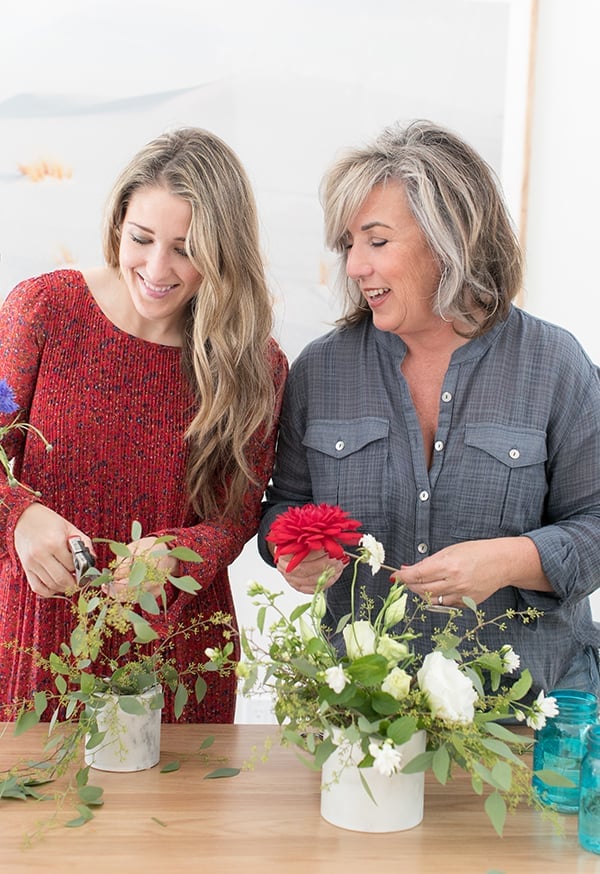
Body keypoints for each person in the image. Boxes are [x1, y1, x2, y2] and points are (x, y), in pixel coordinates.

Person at [258, 118, 600, 700]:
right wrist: (290, 551)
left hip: (530, 717)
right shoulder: (321, 371)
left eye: (377, 241)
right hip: (365, 723)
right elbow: (282, 510)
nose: (355, 267)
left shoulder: (555, 364)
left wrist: (512, 559)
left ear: (451, 238)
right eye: (348, 245)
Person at [0, 127, 288, 722]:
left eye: (186, 249)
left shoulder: (253, 366)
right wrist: (18, 516)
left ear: (223, 254)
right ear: (117, 226)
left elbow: (234, 518)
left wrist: (176, 557)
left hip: (177, 665)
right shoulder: (44, 312)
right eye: (142, 238)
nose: (157, 268)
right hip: (35, 645)